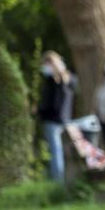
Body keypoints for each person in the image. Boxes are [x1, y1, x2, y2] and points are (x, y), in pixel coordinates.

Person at [36, 51, 77, 184]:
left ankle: (58, 180)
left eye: (48, 64)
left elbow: (56, 103)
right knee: (56, 150)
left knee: (56, 151)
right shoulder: (50, 81)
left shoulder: (65, 81)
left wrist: (41, 110)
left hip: (57, 120)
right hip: (55, 119)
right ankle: (57, 178)